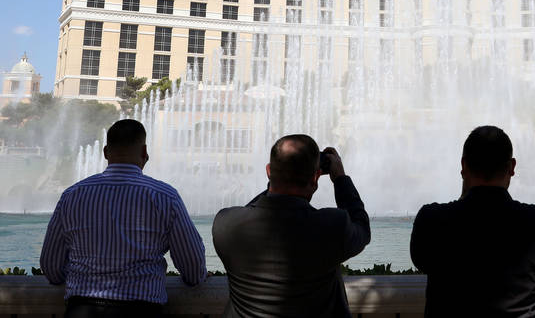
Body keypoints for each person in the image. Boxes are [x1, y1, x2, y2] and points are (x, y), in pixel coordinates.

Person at [40, 119, 206, 317]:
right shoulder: (165, 197)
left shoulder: (72, 195)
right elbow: (193, 268)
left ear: (105, 152)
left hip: (82, 309)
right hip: (142, 310)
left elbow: (51, 266)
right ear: (144, 153)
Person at [411, 125, 535, 317]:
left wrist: (464, 195)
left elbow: (422, 262)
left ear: (464, 166)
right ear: (512, 167)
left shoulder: (431, 220)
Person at [212, 134, 371, 318]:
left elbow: (253, 209)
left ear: (268, 171)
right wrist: (340, 178)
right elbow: (361, 226)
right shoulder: (332, 226)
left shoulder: (226, 225)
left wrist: (277, 181)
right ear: (316, 177)